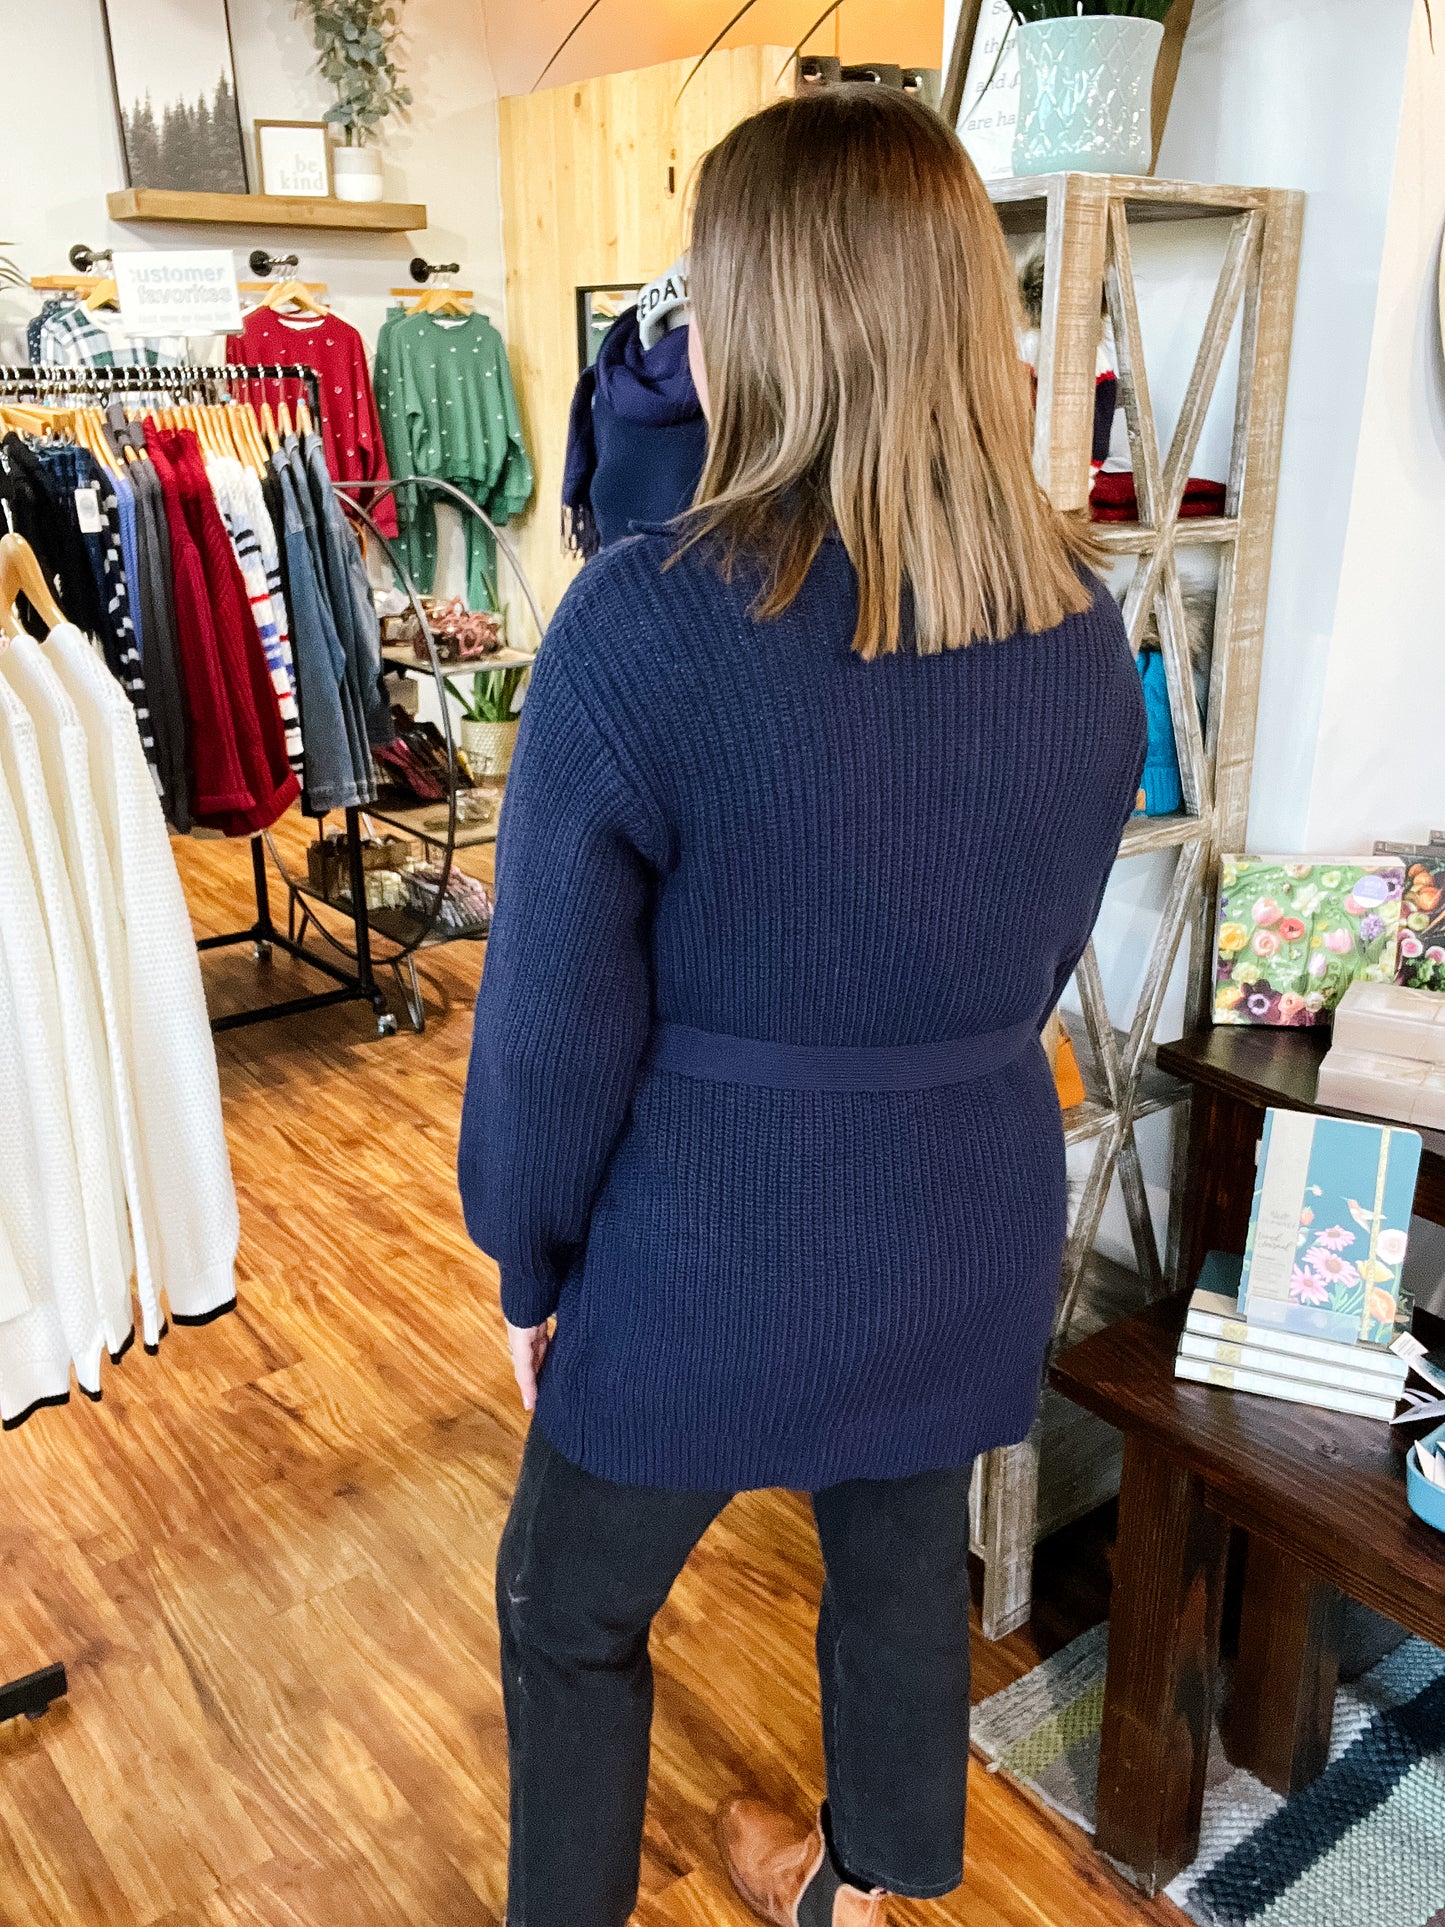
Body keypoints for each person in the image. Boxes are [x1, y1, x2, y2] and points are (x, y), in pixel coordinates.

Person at [458, 85, 1145, 1927]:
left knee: (568, 1610)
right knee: (900, 1581)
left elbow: (546, 1024)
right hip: (965, 1216)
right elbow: (1046, 928)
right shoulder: (1087, 628)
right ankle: (876, 1895)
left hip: (708, 1244)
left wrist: (526, 1260)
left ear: (750, 310)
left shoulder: (640, 624)